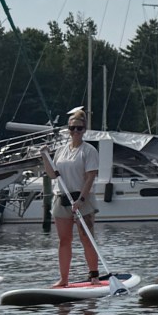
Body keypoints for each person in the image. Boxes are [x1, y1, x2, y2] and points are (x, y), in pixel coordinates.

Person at [49, 107, 102, 284]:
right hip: (62, 197)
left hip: (81, 199)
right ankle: (63, 279)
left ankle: (94, 275)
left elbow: (90, 177)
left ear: (84, 130)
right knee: (64, 240)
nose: (75, 132)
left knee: (86, 237)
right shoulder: (60, 151)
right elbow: (52, 174)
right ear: (68, 130)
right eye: (72, 129)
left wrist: (81, 199)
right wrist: (43, 156)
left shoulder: (89, 151)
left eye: (79, 128)